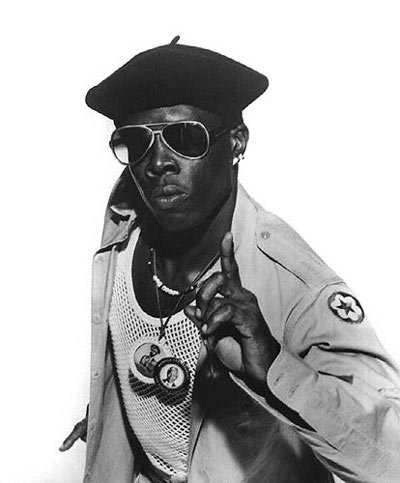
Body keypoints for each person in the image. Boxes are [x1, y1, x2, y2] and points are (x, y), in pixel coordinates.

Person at [60, 37, 400, 482]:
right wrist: (113, 414)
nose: (157, 162)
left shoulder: (296, 283)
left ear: (236, 142)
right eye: (136, 142)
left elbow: (391, 453)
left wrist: (273, 368)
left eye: (185, 137)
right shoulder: (124, 238)